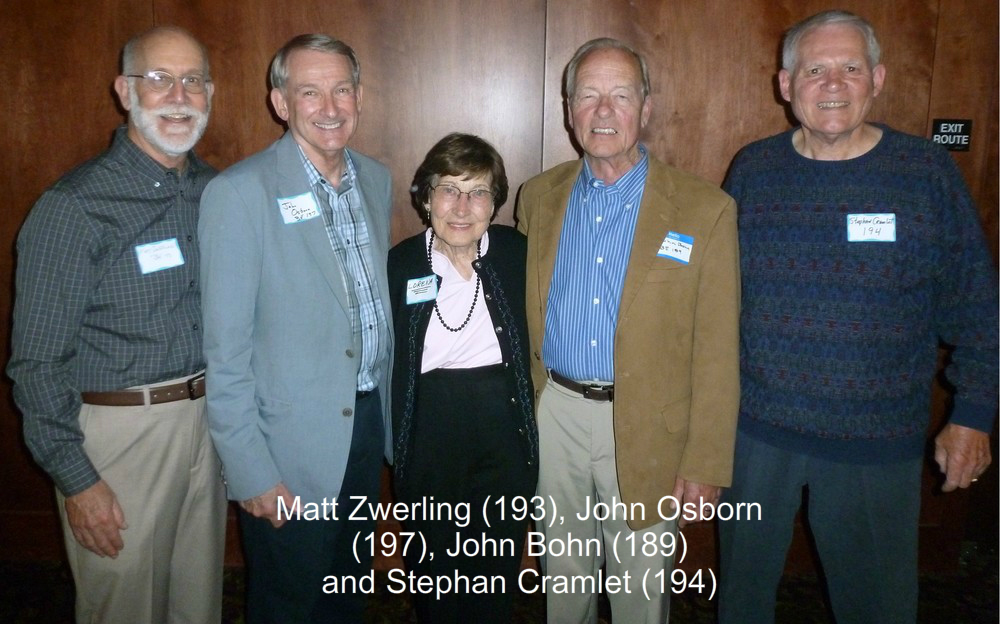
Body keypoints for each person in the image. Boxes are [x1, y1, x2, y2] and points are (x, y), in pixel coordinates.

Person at [717, 10, 998, 624]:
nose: (833, 84)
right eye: (814, 69)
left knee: (876, 608)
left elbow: (978, 303)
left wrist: (973, 416)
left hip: (876, 443)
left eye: (850, 67)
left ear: (878, 78)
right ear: (786, 85)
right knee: (741, 600)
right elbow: (714, 301)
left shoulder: (925, 173)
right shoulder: (753, 170)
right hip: (757, 436)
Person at [516, 38, 741, 623]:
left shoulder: (705, 209)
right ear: (569, 109)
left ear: (646, 107)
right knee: (563, 580)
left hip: (650, 426)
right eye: (588, 95)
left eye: (620, 95)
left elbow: (718, 351)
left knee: (640, 590)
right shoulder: (538, 197)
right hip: (555, 413)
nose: (603, 110)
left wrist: (706, 462)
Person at [7, 26, 226, 623]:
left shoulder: (217, 192)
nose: (178, 96)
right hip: (119, 439)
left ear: (210, 94)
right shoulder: (74, 207)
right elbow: (36, 364)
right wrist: (78, 481)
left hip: (206, 426)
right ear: (125, 91)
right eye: (159, 79)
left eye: (193, 81)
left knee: (198, 607)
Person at [198, 34, 393, 624]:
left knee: (347, 592)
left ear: (359, 97)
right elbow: (225, 353)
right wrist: (252, 471)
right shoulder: (239, 194)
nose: (329, 108)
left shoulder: (375, 179)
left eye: (341, 90)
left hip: (364, 426)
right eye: (310, 92)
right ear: (280, 103)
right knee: (288, 601)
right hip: (286, 447)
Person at [388, 133, 538, 623]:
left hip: (503, 437)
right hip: (429, 439)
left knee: (494, 576)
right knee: (434, 576)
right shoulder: (400, 264)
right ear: (426, 197)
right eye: (449, 189)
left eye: (478, 193)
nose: (461, 207)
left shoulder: (517, 254)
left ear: (495, 204)